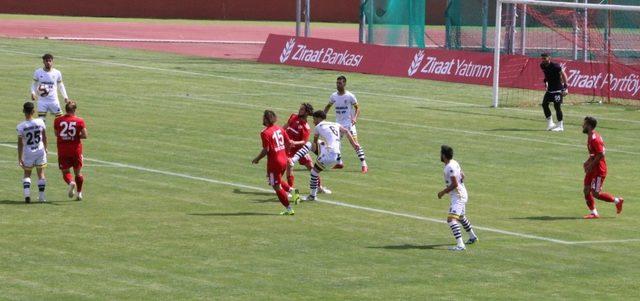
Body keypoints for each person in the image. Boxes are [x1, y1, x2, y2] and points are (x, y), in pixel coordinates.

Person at [290, 110, 361, 201]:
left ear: (319, 118)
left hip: (329, 155)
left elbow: (315, 143)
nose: (313, 121)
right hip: (335, 154)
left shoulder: (318, 127)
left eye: (314, 119)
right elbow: (347, 131)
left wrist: (318, 154)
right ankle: (293, 160)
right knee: (310, 144)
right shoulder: (335, 124)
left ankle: (312, 196)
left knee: (314, 172)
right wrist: (355, 144)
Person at [252, 110, 300, 215]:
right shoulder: (279, 128)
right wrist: (286, 155)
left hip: (275, 163)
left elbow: (266, 150)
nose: (262, 119)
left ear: (266, 119)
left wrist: (257, 159)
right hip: (284, 159)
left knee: (276, 186)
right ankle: (293, 191)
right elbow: (289, 143)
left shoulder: (265, 132)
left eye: (263, 117)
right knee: (274, 179)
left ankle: (289, 209)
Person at [283, 102, 331, 194]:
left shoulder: (306, 127)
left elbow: (304, 142)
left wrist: (293, 142)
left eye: (302, 109)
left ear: (307, 112)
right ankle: (291, 190)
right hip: (288, 150)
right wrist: (280, 133)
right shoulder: (293, 116)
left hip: (300, 150)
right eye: (300, 108)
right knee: (289, 167)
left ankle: (319, 187)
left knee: (312, 168)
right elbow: (286, 125)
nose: (299, 110)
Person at [437, 145, 478, 251]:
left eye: (441, 153)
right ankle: (472, 237)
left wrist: (443, 192)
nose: (440, 155)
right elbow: (463, 175)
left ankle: (460, 245)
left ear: (444, 156)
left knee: (451, 220)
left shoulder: (449, 167)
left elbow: (454, 184)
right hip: (461, 193)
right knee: (461, 217)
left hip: (458, 196)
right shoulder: (454, 162)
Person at [581, 116, 624, 219]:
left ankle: (617, 201)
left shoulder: (595, 139)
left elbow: (601, 154)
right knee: (586, 190)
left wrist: (590, 165)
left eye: (585, 124)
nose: (582, 125)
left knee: (595, 193)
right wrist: (587, 162)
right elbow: (594, 154)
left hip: (599, 170)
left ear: (589, 126)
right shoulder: (591, 136)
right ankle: (594, 213)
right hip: (592, 168)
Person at [323, 75, 368, 173]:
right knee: (335, 142)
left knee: (355, 144)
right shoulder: (334, 96)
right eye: (337, 83)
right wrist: (322, 116)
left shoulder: (350, 96)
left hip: (349, 124)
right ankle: (339, 162)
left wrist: (355, 118)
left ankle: (364, 164)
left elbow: (357, 108)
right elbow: (328, 106)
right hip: (338, 124)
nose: (338, 85)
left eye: (340, 83)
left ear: (344, 84)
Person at [54, 101, 88, 201]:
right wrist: (75, 136)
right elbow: (85, 135)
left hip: (63, 150)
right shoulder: (79, 121)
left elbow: (57, 134)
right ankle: (79, 193)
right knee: (78, 173)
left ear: (66, 109)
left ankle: (70, 182)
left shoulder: (58, 120)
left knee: (65, 172)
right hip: (76, 150)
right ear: (74, 110)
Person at [17, 102, 48, 203]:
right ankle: (42, 197)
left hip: (28, 152)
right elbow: (44, 137)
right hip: (40, 150)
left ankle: (27, 195)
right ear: (33, 111)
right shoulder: (40, 122)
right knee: (41, 174)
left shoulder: (21, 126)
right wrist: (46, 148)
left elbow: (20, 143)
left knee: (27, 174)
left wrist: (19, 157)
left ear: (23, 111)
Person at [31, 53, 69, 121]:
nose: (48, 62)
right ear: (43, 62)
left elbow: (60, 85)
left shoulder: (57, 73)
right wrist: (33, 93)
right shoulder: (38, 72)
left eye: (50, 61)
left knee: (60, 120)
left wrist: (65, 97)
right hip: (42, 101)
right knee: (41, 121)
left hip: (54, 101)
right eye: (46, 61)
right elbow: (34, 84)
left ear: (52, 61)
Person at [540, 53, 568, 132]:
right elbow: (547, 75)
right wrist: (545, 82)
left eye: (544, 58)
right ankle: (550, 123)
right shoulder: (542, 65)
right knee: (544, 104)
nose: (543, 60)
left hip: (558, 90)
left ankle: (560, 126)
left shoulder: (556, 66)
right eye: (542, 58)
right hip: (550, 90)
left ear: (549, 58)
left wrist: (565, 88)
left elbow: (564, 75)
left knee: (557, 107)